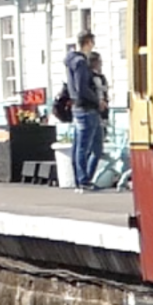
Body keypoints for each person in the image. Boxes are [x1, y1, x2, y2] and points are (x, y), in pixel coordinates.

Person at [63, 33, 101, 190]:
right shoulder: (80, 63)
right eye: (92, 42)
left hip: (80, 107)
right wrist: (97, 100)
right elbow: (81, 88)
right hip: (85, 107)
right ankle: (82, 180)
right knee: (83, 146)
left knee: (89, 145)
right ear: (87, 42)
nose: (93, 45)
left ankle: (83, 179)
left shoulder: (73, 60)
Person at [82, 52, 111, 188]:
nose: (101, 64)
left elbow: (105, 93)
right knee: (91, 148)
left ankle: (87, 178)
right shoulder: (89, 77)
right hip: (92, 112)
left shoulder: (101, 77)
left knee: (96, 148)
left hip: (100, 114)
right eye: (99, 61)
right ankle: (85, 178)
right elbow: (92, 94)